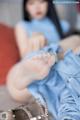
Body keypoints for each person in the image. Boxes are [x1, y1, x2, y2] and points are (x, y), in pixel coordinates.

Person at [7, 0, 80, 119]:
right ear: (26, 8)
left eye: (41, 2)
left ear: (49, 4)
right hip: (32, 62)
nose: (37, 7)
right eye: (31, 3)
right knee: (22, 76)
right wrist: (34, 41)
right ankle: (31, 70)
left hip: (58, 64)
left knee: (75, 41)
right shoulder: (23, 25)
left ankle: (50, 57)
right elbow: (23, 54)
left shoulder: (62, 24)